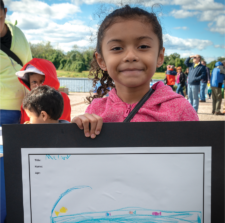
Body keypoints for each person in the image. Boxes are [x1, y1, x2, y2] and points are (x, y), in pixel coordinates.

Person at [71, 5, 199, 138]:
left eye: (143, 46)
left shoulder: (180, 110)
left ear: (160, 57)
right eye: (117, 48)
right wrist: (75, 133)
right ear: (102, 60)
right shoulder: (95, 111)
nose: (130, 56)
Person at [0, 0, 32, 223]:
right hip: (2, 111)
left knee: (20, 167)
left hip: (25, 110)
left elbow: (31, 66)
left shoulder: (18, 33)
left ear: (4, 12)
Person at [15, 58, 71, 123]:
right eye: (34, 82)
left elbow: (59, 124)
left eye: (42, 81)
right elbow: (24, 122)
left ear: (51, 79)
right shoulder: (28, 99)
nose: (38, 85)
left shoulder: (61, 97)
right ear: (28, 83)